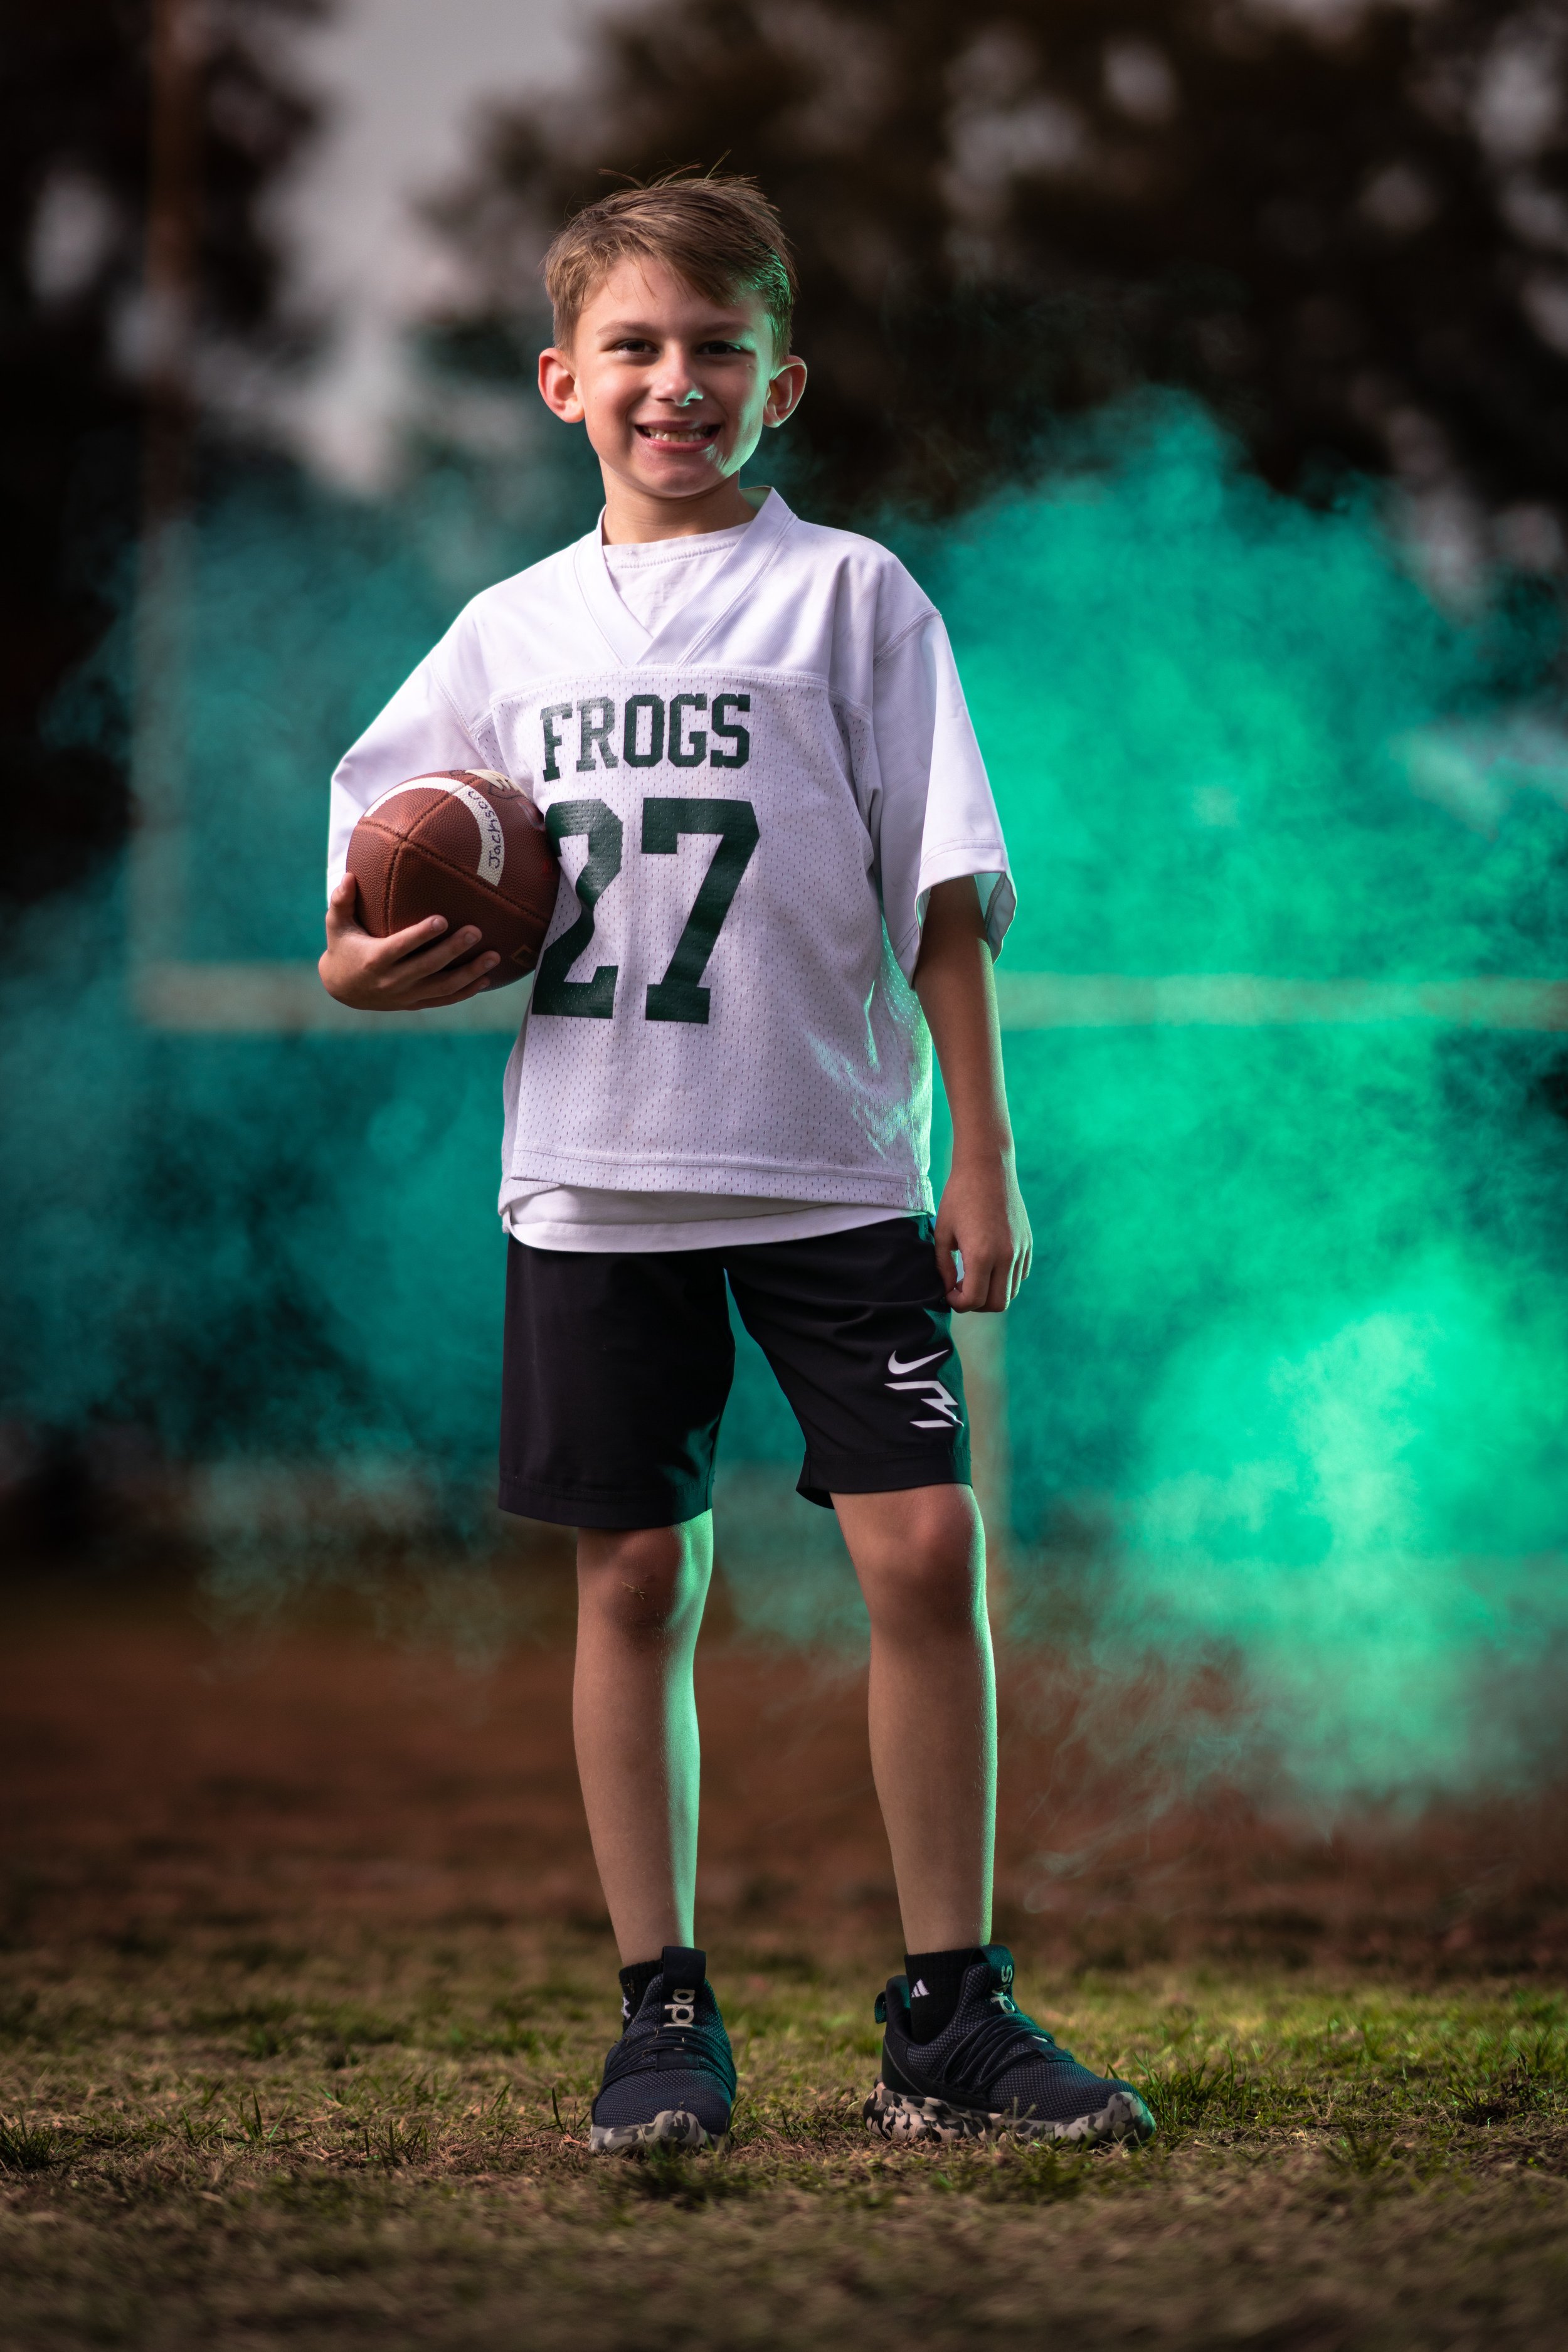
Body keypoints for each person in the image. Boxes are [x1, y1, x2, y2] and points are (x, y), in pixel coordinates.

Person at [320, 175, 1153, 2154]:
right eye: (634, 347)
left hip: (832, 1169)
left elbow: (944, 898)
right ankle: (661, 2009)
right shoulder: (504, 633)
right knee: (632, 1583)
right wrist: (367, 964)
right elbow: (360, 910)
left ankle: (947, 2011)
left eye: (715, 350)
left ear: (783, 381)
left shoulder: (852, 596)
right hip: (599, 1178)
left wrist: (983, 1158)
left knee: (927, 1550)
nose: (673, 382)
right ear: (560, 380)